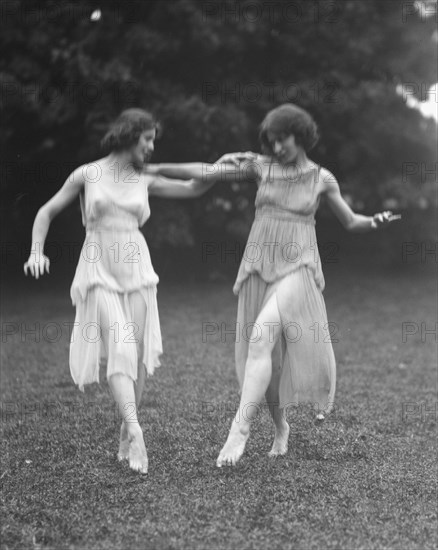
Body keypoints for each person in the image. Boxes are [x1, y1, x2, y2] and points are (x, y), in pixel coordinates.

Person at [146, 103, 400, 468]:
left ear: (302, 136)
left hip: (299, 264)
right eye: (272, 141)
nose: (277, 147)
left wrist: (374, 221)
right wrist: (155, 168)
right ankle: (280, 426)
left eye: (283, 140)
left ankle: (240, 429)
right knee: (268, 361)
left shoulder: (322, 179)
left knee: (262, 336)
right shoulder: (260, 167)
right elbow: (207, 171)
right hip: (260, 265)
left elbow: (350, 220)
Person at [23, 108, 223, 474]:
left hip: (136, 267)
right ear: (130, 135)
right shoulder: (88, 173)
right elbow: (45, 212)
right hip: (98, 266)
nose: (150, 146)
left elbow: (197, 186)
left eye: (152, 141)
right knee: (121, 347)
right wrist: (37, 250)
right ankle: (136, 430)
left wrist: (212, 166)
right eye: (147, 139)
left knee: (139, 354)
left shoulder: (146, 176)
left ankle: (123, 432)